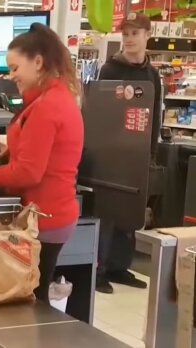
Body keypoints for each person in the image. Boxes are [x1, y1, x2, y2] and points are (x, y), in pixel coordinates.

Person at [0, 23, 84, 304]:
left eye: (15, 68)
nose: (11, 75)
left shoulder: (46, 107)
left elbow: (29, 172)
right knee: (34, 292)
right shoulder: (54, 99)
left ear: (38, 62)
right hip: (53, 212)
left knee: (32, 297)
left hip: (46, 216)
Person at [95, 12, 160, 294]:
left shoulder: (152, 74)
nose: (130, 39)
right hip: (111, 154)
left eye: (135, 34)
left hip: (138, 153)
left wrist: (151, 153)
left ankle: (120, 267)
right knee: (108, 212)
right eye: (126, 34)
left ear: (148, 35)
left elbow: (155, 114)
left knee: (130, 213)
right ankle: (98, 269)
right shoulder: (110, 70)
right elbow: (103, 113)